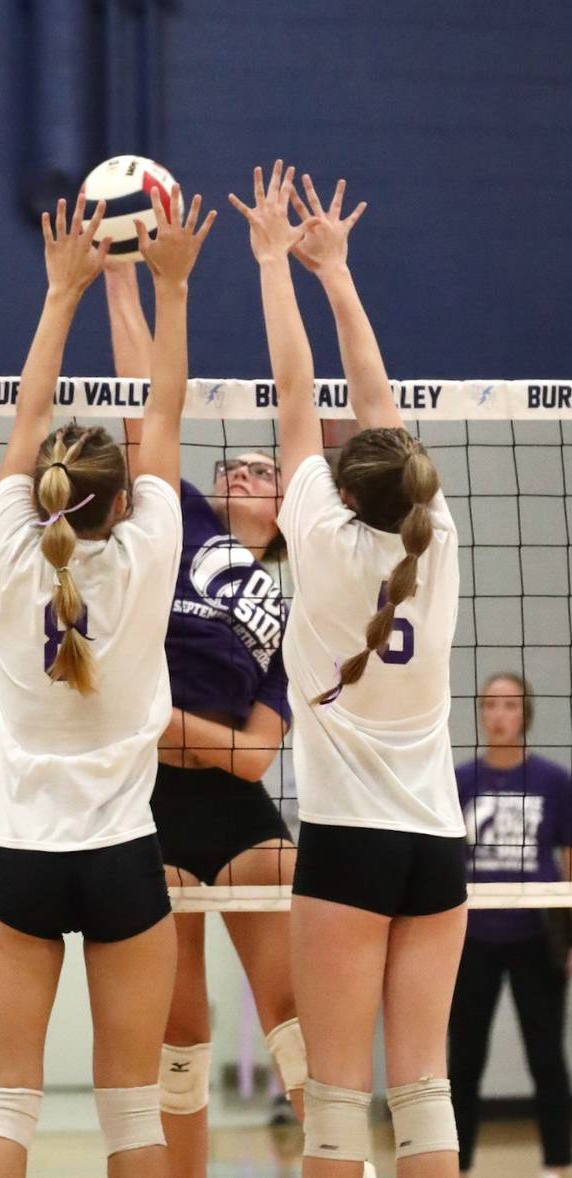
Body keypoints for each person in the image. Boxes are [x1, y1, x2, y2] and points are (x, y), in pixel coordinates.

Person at [0, 186, 215, 1178]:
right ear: (123, 496)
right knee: (133, 1123)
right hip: (120, 858)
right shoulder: (149, 549)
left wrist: (60, 293)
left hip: (18, 857)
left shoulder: (7, 549)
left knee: (4, 1119)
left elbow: (30, 410)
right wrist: (171, 289)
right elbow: (162, 405)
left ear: (45, 496)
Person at [231, 160, 468, 1177]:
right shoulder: (436, 538)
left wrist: (273, 262)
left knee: (333, 1099)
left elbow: (295, 389)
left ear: (341, 485)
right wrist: (333, 272)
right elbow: (369, 401)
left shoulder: (317, 539)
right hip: (435, 847)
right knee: (424, 1091)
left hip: (348, 845)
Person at [104, 259, 305, 1178]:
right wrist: (119, 284)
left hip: (236, 811)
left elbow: (260, 757)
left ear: (285, 513)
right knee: (179, 1031)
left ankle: (347, 1159)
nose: (248, 466)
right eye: (243, 461)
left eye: (266, 466)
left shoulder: (298, 608)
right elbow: (153, 400)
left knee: (296, 1011)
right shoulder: (180, 520)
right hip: (155, 809)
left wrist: (173, 726)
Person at [449, 672, 572, 1177]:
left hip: (536, 937)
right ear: (480, 712)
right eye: (490, 705)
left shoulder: (554, 781)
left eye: (510, 705)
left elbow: (569, 862)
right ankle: (456, 1166)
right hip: (471, 938)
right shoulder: (458, 782)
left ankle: (558, 1166)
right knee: (463, 1064)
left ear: (526, 714)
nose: (499, 715)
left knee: (546, 1057)